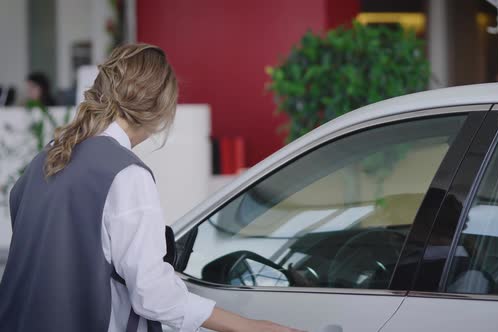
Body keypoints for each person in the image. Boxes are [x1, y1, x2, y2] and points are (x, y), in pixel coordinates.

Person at [0, 44, 302, 332]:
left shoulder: (48, 157)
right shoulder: (125, 174)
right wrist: (248, 326)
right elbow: (153, 294)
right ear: (160, 111)